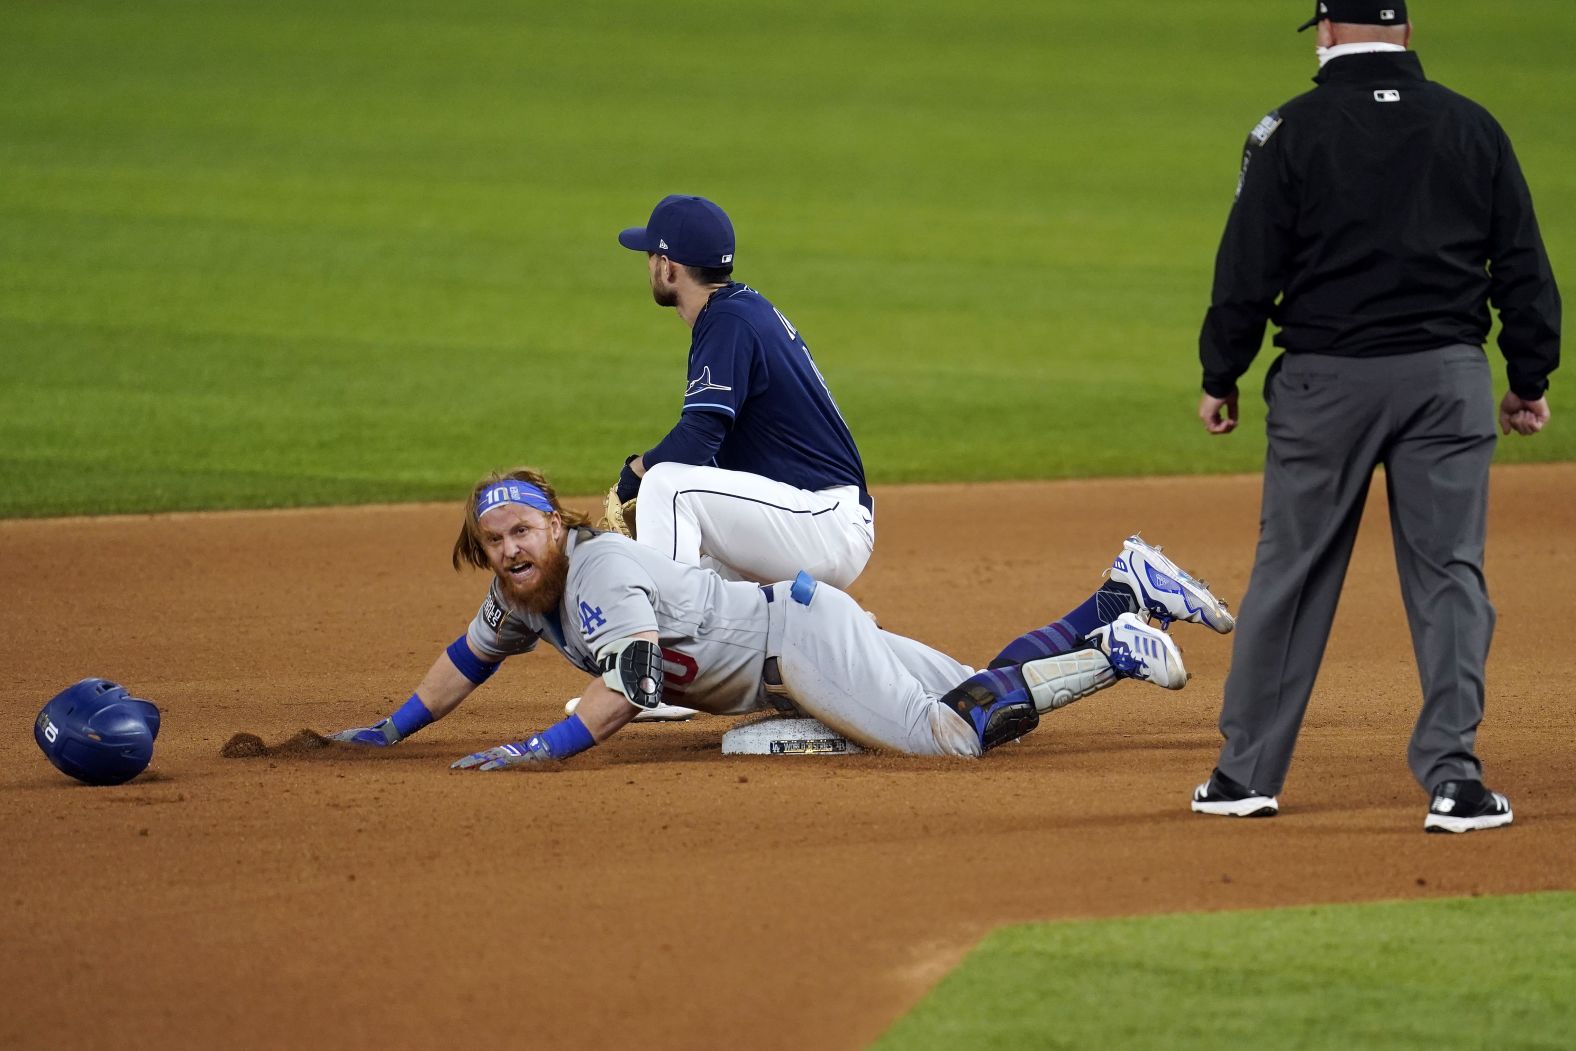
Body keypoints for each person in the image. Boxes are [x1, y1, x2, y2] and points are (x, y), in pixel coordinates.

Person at [1191, 0, 1561, 832]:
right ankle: (1455, 781)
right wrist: (1528, 374)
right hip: (1448, 382)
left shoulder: (1288, 128)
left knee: (1292, 572)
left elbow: (1246, 265)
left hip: (1325, 387)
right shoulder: (1474, 126)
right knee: (1449, 575)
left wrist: (1223, 371)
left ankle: (1244, 776)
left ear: (1324, 32)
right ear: (1407, 31)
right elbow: (1525, 264)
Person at [329, 468, 1236, 767]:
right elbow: (466, 657)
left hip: (797, 647)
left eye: (523, 529)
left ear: (556, 524)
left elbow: (635, 684)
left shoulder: (596, 570)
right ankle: (1122, 594)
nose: (510, 549)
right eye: (492, 539)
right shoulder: (519, 594)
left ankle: (1116, 652)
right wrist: (389, 727)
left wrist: (541, 749)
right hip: (797, 628)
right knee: (979, 689)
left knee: (952, 737)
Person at [603, 193, 876, 721]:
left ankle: (658, 673)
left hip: (824, 521)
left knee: (669, 486)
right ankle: (730, 675)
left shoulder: (728, 323)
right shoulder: (737, 311)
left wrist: (635, 473)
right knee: (695, 557)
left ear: (667, 266)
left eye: (649, 258)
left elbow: (698, 437)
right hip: (806, 515)